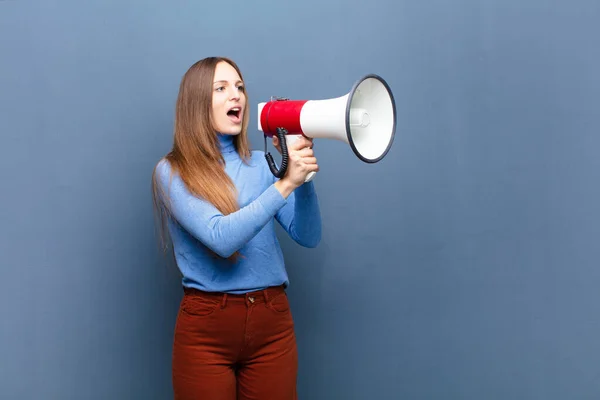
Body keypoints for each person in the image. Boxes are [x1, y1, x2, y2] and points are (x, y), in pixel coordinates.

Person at [151, 56, 322, 400]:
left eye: (240, 87)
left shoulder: (262, 165)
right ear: (197, 103)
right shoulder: (172, 171)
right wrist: (286, 184)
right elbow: (221, 238)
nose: (237, 96)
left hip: (271, 324)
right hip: (206, 332)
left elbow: (308, 235)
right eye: (222, 88)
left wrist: (302, 177)